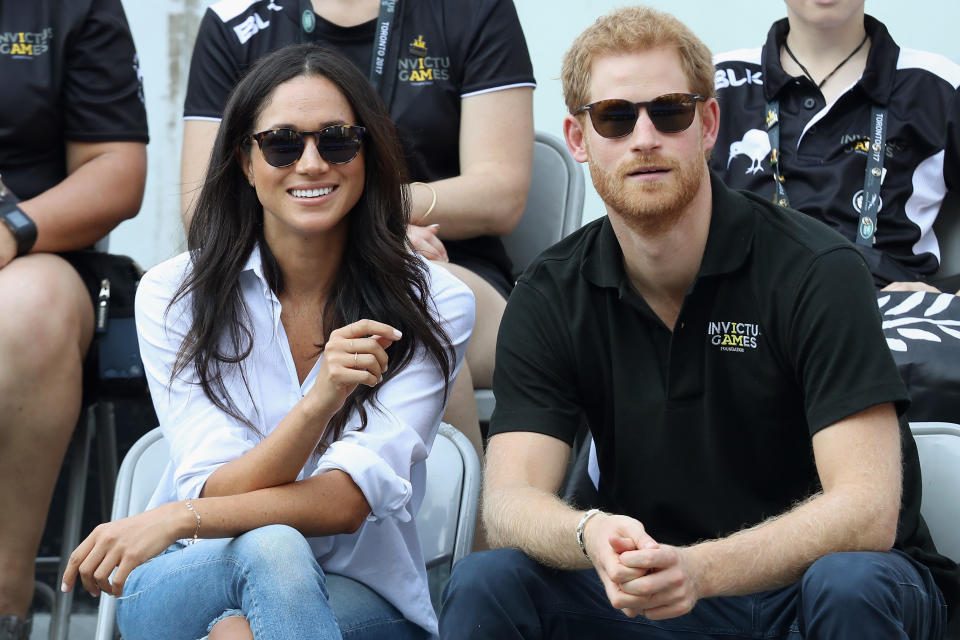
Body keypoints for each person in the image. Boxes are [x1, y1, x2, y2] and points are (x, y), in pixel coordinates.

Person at [438, 6, 959, 639]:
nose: (644, 137)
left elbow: (867, 511)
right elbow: (512, 501)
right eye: (615, 116)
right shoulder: (551, 291)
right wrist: (589, 531)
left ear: (708, 124)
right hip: (659, 594)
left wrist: (701, 569)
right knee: (488, 581)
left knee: (848, 581)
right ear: (578, 140)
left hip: (817, 590)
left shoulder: (817, 268)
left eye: (670, 112)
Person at [62, 43, 473, 639]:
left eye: (336, 140)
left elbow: (344, 503)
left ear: (368, 154)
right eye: (282, 143)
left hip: (359, 595)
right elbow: (217, 485)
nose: (311, 163)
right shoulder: (175, 294)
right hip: (193, 575)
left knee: (241, 630)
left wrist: (178, 517)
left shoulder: (433, 300)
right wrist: (318, 402)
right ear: (246, 162)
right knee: (273, 548)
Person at [179, 0, 536, 452]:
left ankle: (462, 523)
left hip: (445, 261)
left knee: (416, 320)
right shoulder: (234, 18)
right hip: (284, 266)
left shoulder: (474, 8)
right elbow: (203, 206)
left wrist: (374, 222)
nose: (308, 161)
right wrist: (358, 224)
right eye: (284, 144)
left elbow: (501, 193)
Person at [0, 1, 148, 638]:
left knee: (28, 309)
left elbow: (117, 173)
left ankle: (5, 601)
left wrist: (12, 229)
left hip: (33, 255)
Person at [711, 0, 960, 294]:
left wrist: (944, 303)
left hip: (884, 311)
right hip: (746, 311)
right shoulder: (717, 81)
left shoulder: (937, 85)